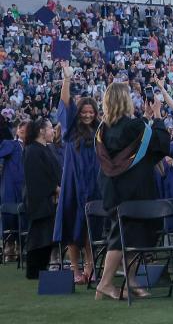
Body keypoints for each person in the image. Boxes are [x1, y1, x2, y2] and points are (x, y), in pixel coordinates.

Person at [93, 83, 171, 300]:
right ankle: (105, 283)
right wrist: (156, 117)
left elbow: (140, 144)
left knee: (130, 233)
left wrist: (145, 121)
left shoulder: (102, 129)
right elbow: (159, 145)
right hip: (135, 189)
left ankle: (130, 281)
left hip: (112, 188)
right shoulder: (134, 126)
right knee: (126, 235)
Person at [52, 62, 101, 285]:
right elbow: (65, 103)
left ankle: (90, 267)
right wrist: (67, 79)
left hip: (94, 185)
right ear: (79, 113)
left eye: (91, 112)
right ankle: (74, 269)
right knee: (73, 229)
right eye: (84, 111)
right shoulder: (71, 131)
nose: (88, 115)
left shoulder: (100, 131)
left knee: (91, 230)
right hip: (73, 183)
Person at [22, 118, 60, 279]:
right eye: (51, 128)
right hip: (39, 201)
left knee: (46, 236)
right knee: (38, 236)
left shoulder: (47, 149)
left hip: (49, 200)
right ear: (41, 131)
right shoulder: (32, 150)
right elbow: (37, 177)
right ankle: (34, 270)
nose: (53, 131)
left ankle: (41, 268)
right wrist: (55, 188)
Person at [0, 120, 26, 262]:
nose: (23, 129)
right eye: (21, 127)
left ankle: (22, 248)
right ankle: (9, 247)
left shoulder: (33, 146)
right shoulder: (11, 144)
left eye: (27, 128)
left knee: (24, 218)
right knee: (9, 217)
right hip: (10, 187)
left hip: (25, 189)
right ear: (17, 131)